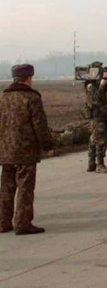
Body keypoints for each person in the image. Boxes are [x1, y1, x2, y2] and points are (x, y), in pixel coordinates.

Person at [0, 64, 54, 235]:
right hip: (26, 150)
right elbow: (39, 125)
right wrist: (47, 145)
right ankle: (22, 223)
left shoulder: (3, 98)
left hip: (5, 150)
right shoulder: (32, 98)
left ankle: (3, 222)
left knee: (6, 187)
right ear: (29, 78)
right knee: (25, 187)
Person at [85, 67, 107, 173]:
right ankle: (99, 164)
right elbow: (96, 98)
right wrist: (101, 86)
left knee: (94, 138)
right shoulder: (90, 86)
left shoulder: (100, 83)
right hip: (96, 115)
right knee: (100, 138)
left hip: (104, 114)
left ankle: (91, 163)